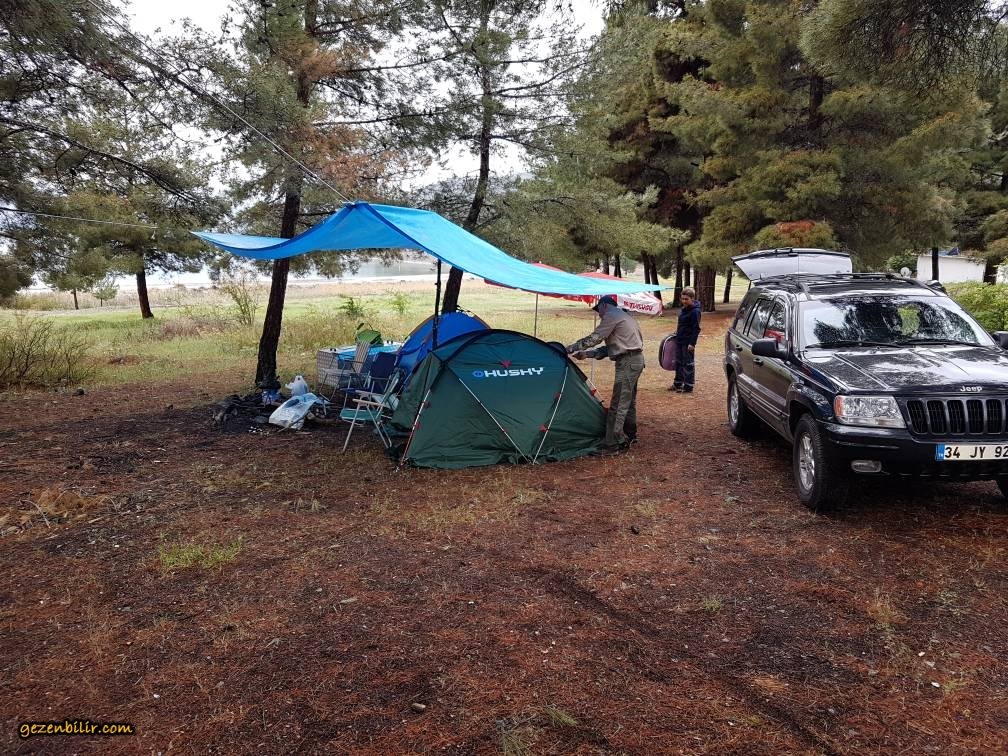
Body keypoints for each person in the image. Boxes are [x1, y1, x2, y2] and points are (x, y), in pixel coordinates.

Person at [566, 295, 645, 450]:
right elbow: (613, 348)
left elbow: (595, 338)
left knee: (618, 402)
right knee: (628, 400)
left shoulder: (611, 315)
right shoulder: (624, 316)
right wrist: (587, 354)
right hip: (635, 360)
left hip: (628, 362)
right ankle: (630, 433)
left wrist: (571, 348)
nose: (599, 315)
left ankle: (614, 442)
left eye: (599, 310)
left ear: (604, 306)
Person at [670, 287, 701, 393]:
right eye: (682, 299)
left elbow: (696, 329)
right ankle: (678, 383)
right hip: (680, 340)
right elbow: (682, 324)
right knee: (678, 362)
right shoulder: (684, 309)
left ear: (692, 298)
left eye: (686, 299)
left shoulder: (695, 311)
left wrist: (692, 343)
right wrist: (677, 332)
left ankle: (688, 386)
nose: (684, 301)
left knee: (688, 364)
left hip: (688, 342)